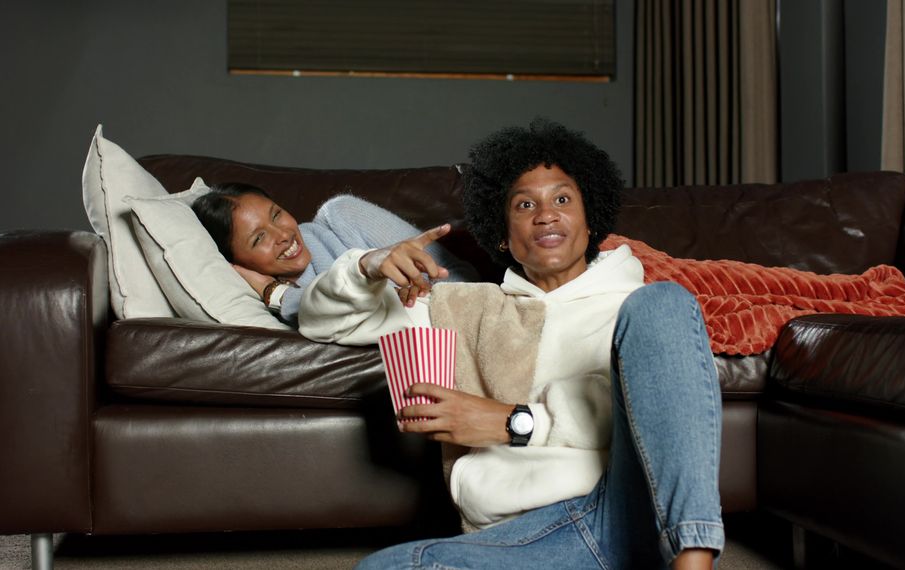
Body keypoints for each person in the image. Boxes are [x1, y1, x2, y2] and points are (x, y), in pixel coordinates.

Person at [298, 119, 724, 569]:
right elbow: (323, 323)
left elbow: (684, 413)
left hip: (628, 512)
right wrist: (368, 265)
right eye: (525, 204)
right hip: (522, 539)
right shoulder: (459, 309)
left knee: (664, 301)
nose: (546, 214)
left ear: (588, 217)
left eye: (562, 198)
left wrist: (514, 423)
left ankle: (693, 561)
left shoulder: (638, 310)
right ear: (502, 233)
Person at [191, 183, 478, 326]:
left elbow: (464, 278)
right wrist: (276, 294)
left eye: (277, 214)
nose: (283, 235)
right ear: (236, 260)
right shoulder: (263, 302)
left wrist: (425, 297)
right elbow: (324, 310)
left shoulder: (341, 216)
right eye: (259, 238)